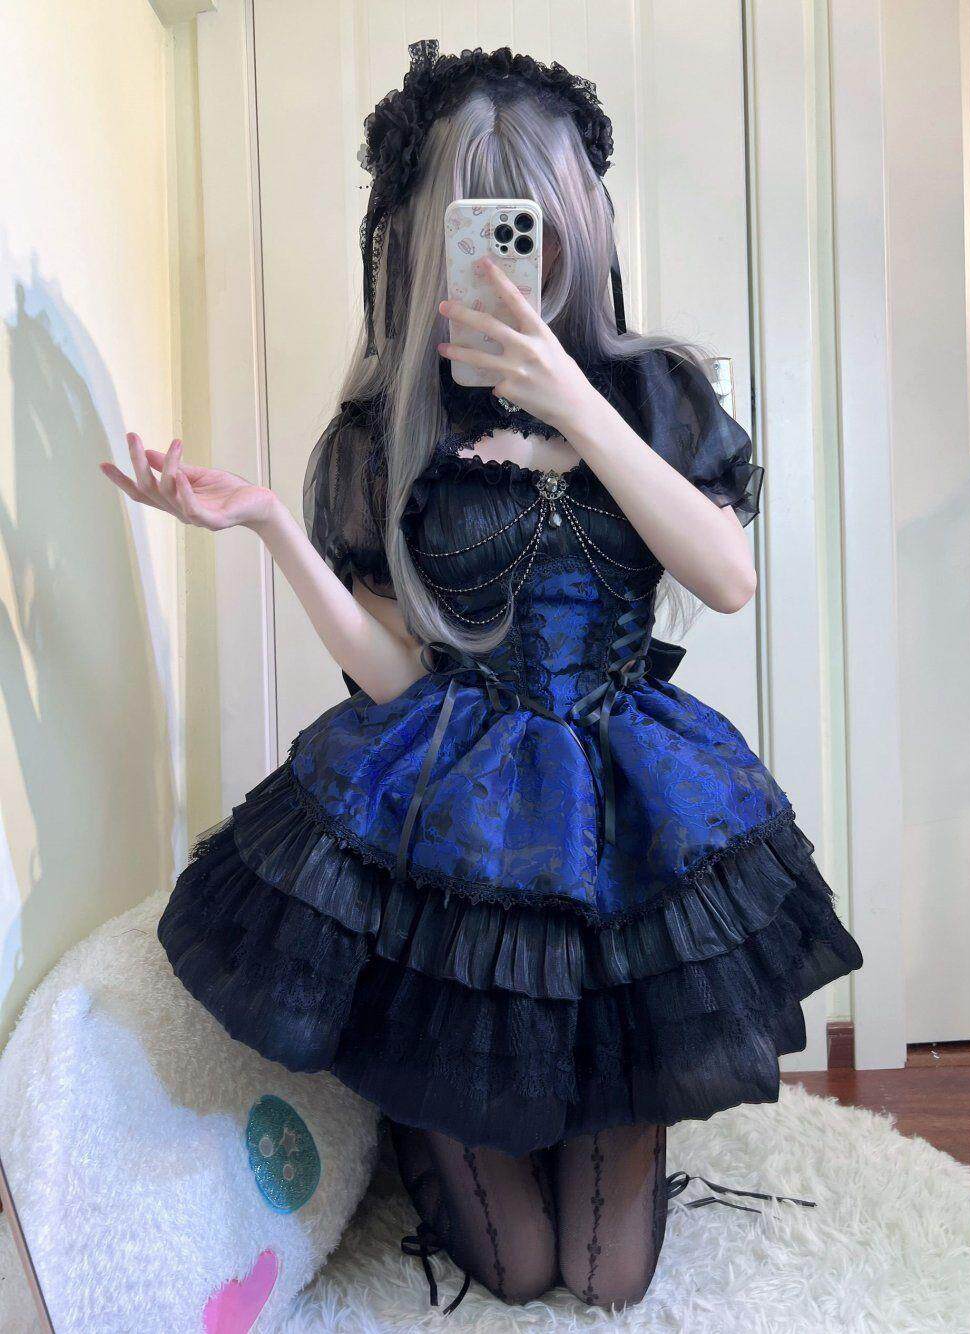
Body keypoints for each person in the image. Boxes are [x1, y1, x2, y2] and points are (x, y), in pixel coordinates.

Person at [101, 40, 862, 1314]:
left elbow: (726, 578)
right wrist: (273, 529)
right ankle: (427, 1111)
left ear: (581, 220)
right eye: (484, 222)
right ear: (422, 239)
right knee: (513, 1267)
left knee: (605, 1274)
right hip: (462, 793)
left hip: (630, 791)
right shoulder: (386, 435)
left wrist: (573, 396)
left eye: (542, 220)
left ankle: (572, 1107)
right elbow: (396, 680)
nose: (524, 254)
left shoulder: (654, 393)